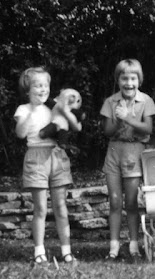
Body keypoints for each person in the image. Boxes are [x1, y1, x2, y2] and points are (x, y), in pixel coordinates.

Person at [14, 67, 81, 264]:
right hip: (36, 156)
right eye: (37, 86)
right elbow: (20, 133)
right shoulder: (23, 109)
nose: (43, 89)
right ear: (27, 90)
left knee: (61, 206)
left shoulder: (54, 108)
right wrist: (31, 112)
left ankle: (66, 251)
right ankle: (39, 251)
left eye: (45, 85)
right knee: (41, 208)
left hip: (56, 155)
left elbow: (71, 125)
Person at [100, 59, 155, 262]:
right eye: (124, 78)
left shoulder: (146, 100)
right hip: (114, 150)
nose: (129, 83)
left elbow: (148, 129)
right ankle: (113, 248)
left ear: (139, 80)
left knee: (132, 203)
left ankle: (134, 246)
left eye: (133, 78)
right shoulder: (110, 101)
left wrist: (128, 118)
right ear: (118, 80)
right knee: (115, 201)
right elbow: (107, 131)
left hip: (135, 151)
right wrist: (117, 120)